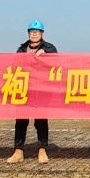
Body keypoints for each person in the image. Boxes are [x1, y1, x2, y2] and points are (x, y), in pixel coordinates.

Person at [7, 20, 57, 164]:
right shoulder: (22, 49)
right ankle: (18, 151)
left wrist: (47, 54)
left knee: (41, 121)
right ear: (28, 34)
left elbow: (57, 61)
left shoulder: (49, 48)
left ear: (42, 33)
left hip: (41, 90)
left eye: (37, 32)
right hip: (24, 89)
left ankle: (42, 149)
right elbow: (15, 66)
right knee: (21, 121)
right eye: (32, 32)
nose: (34, 34)